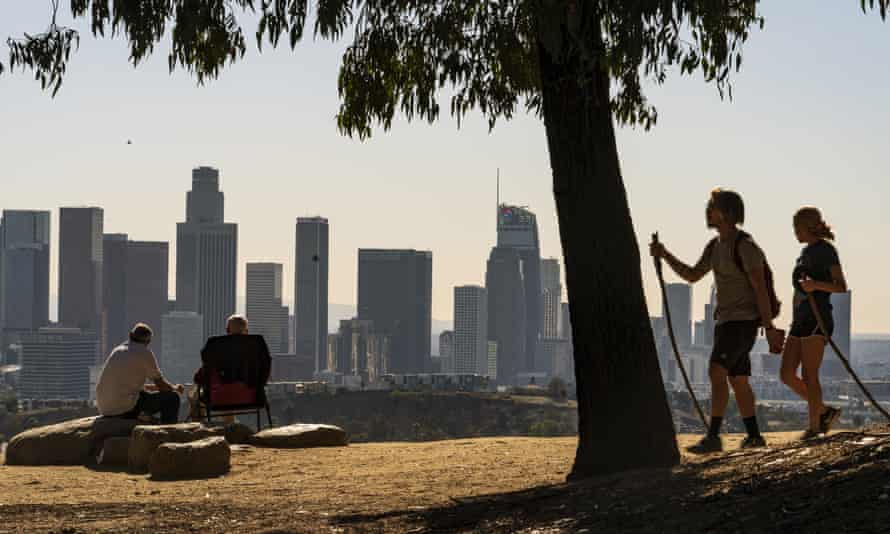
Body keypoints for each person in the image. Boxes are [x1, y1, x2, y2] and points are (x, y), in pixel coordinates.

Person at [650, 189, 784, 452]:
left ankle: (713, 437)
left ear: (727, 213)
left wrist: (769, 328)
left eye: (712, 207)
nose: (708, 212)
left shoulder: (745, 246)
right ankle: (754, 436)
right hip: (726, 322)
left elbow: (759, 288)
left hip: (741, 323)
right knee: (738, 379)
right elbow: (692, 275)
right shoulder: (715, 246)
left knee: (716, 371)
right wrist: (664, 255)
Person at [780, 207, 847, 439]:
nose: (794, 232)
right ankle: (823, 410)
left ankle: (815, 428)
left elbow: (841, 286)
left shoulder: (827, 251)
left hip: (818, 319)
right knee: (786, 374)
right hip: (800, 320)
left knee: (810, 375)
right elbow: (799, 288)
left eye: (796, 227)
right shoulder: (804, 252)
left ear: (808, 227)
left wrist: (816, 285)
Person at [96, 323, 184, 424]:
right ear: (148, 341)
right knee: (172, 398)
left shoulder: (117, 351)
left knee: (143, 397)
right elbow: (161, 386)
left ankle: (145, 419)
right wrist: (175, 389)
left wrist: (167, 387)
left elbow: (135, 388)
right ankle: (169, 431)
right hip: (123, 408)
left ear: (130, 335)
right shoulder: (144, 353)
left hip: (104, 408)